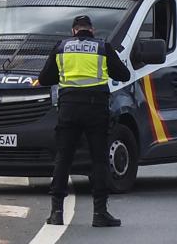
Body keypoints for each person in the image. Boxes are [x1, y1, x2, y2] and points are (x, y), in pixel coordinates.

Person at [39, 14, 131, 228]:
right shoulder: (103, 47)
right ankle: (100, 212)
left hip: (69, 107)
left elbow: (45, 79)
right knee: (98, 160)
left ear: (73, 31)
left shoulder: (61, 47)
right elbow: (124, 75)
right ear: (92, 30)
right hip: (96, 108)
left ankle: (56, 212)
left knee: (63, 158)